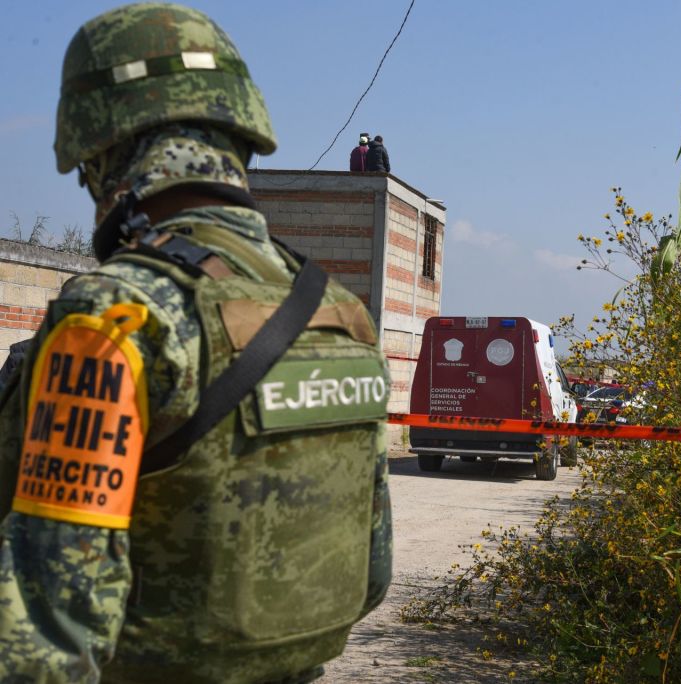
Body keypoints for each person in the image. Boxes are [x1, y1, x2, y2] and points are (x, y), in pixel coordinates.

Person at [0, 3, 392, 682]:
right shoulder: (341, 312)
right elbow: (371, 575)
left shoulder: (119, 313)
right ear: (240, 134)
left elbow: (47, 628)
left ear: (99, 150)